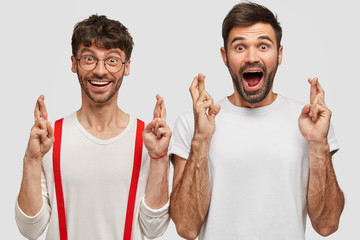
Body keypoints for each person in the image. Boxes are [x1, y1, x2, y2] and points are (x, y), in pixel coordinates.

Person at [169, 2, 344, 240]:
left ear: (279, 54)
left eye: (263, 46)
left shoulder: (310, 122)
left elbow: (327, 225)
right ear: (225, 56)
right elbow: (186, 228)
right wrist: (201, 140)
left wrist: (318, 144)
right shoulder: (193, 124)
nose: (252, 57)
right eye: (240, 47)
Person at [15, 14, 171, 240]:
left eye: (112, 60)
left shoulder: (147, 140)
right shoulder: (49, 139)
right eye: (89, 59)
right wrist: (31, 159)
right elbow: (30, 230)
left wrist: (158, 157)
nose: (100, 71)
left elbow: (154, 229)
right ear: (73, 64)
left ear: (126, 67)